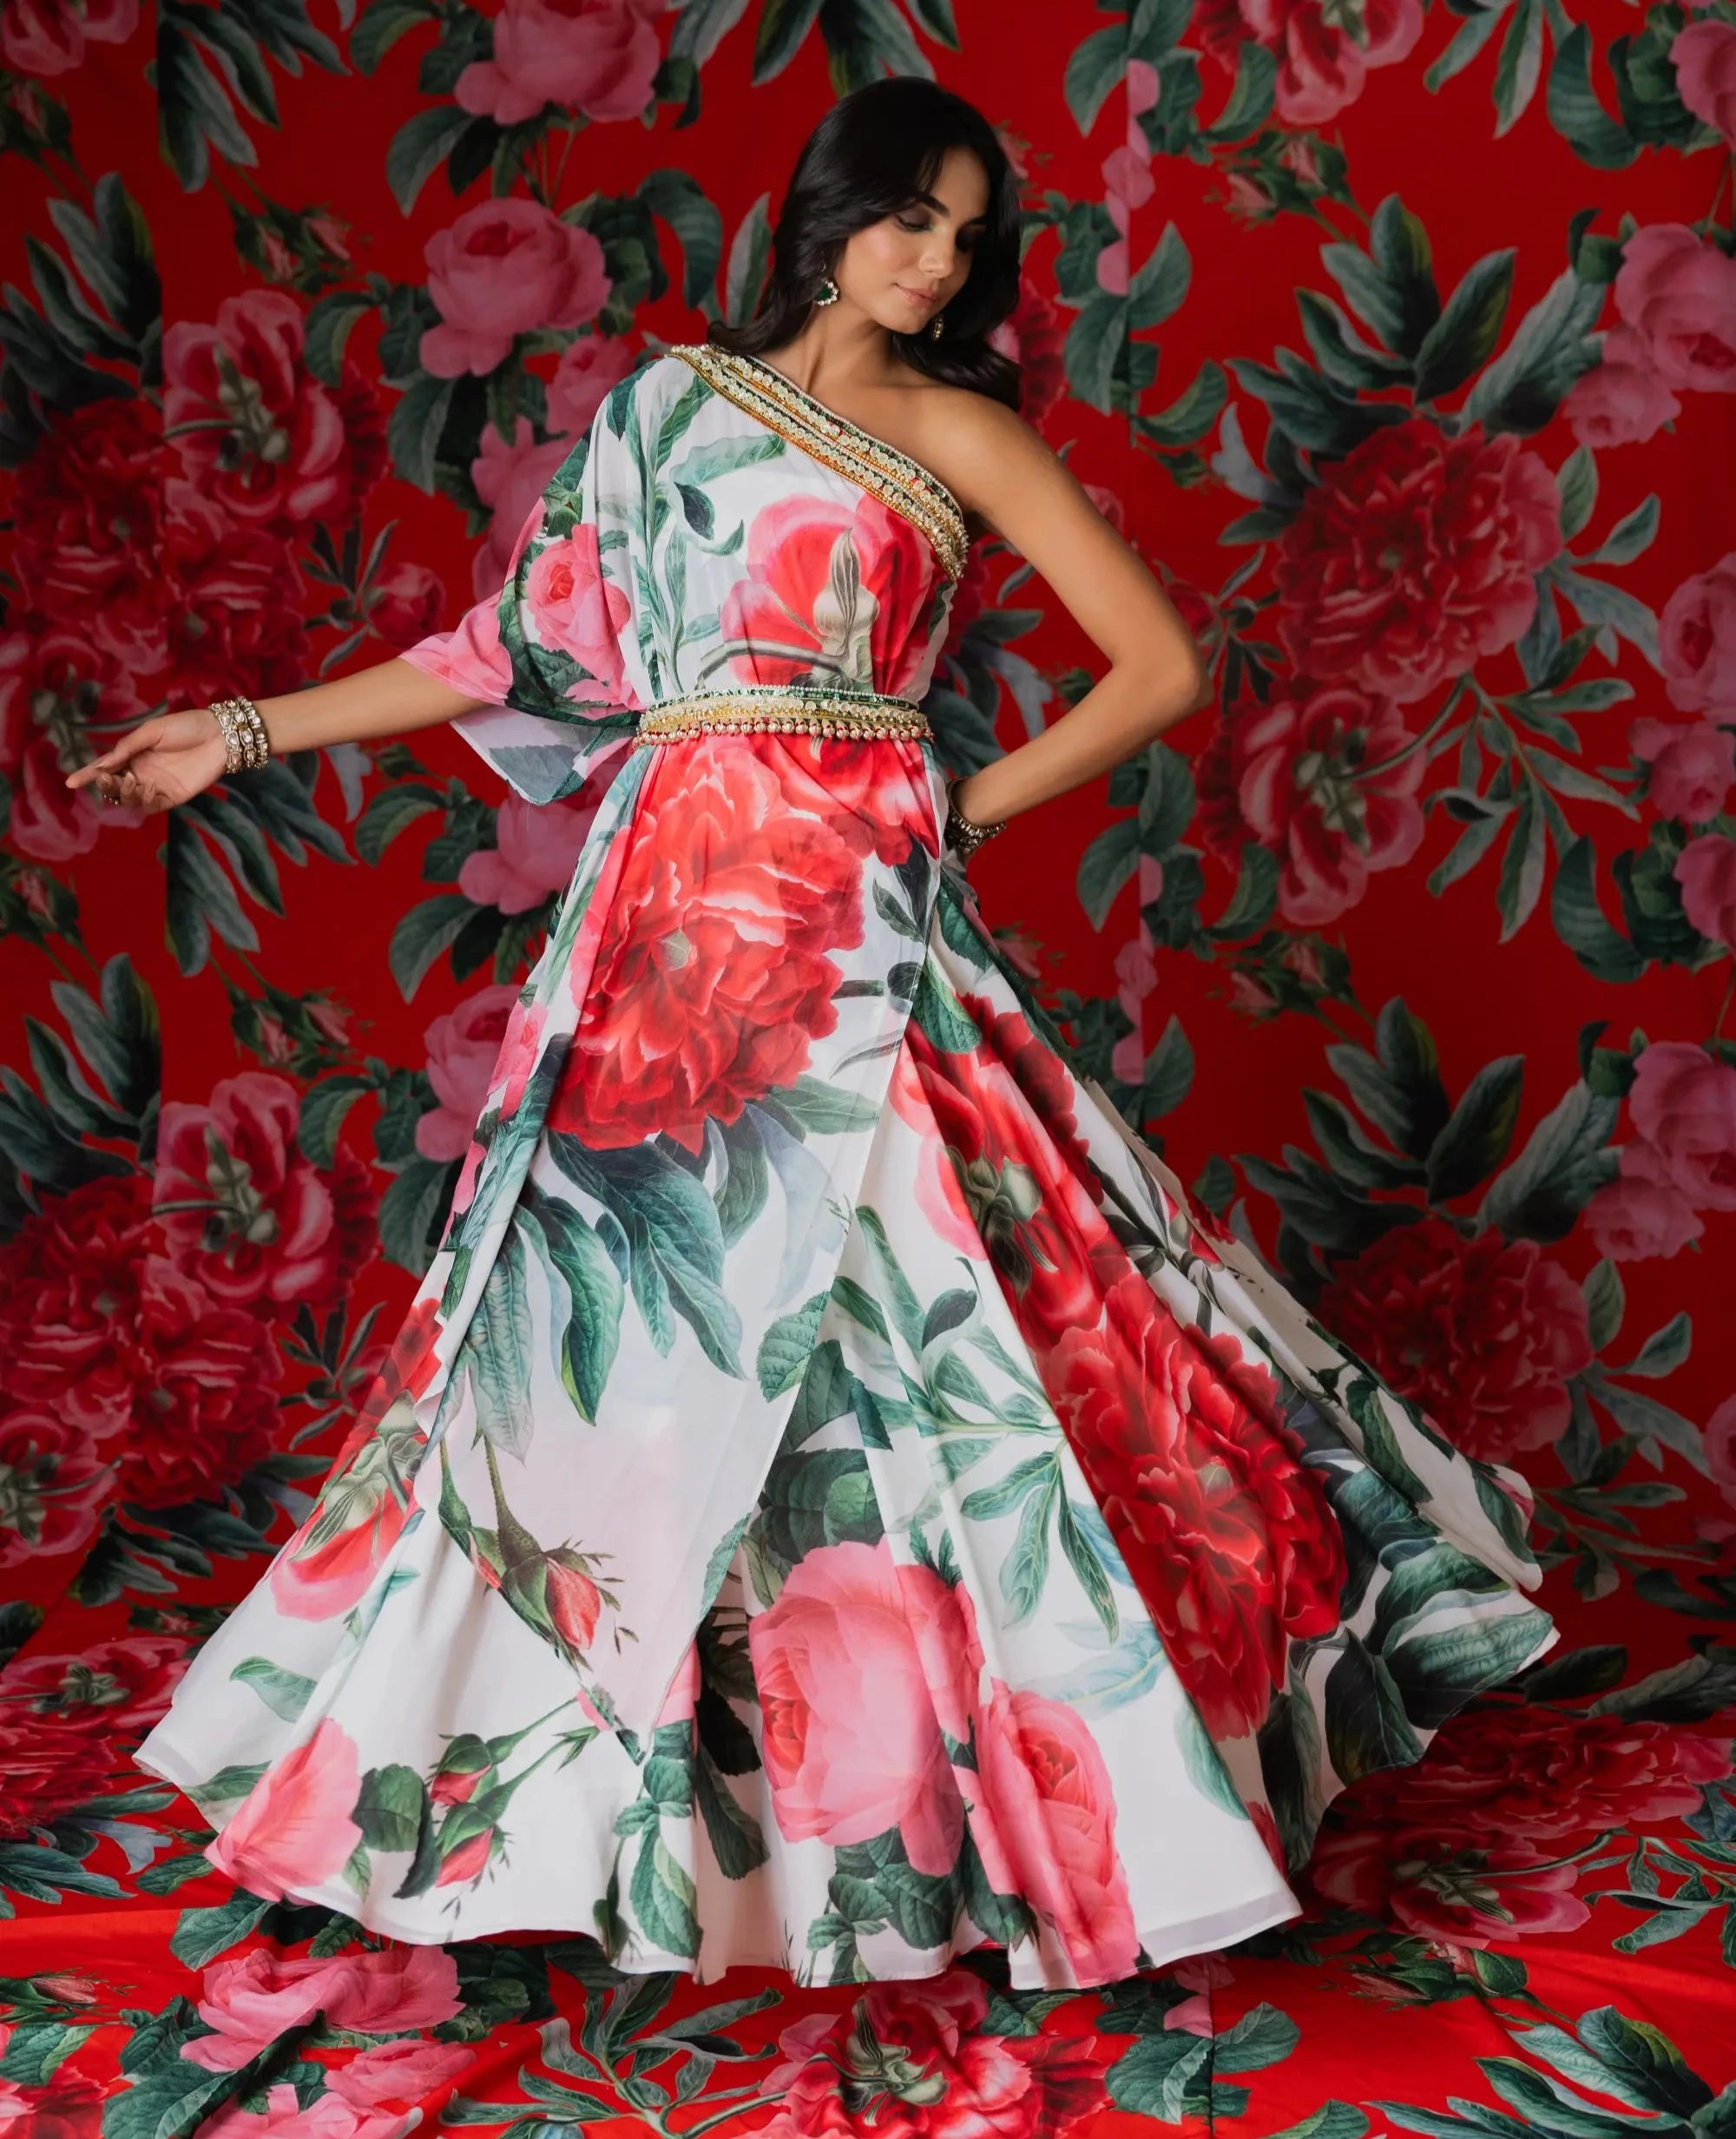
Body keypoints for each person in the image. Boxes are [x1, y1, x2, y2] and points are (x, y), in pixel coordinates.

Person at [68, 76, 1558, 1991]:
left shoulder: (957, 428)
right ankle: (551, 1818)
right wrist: (241, 730)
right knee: (595, 1361)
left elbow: (1161, 666)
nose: (935, 261)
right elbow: (506, 650)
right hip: (658, 948)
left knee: (940, 1344)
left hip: (858, 930)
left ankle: (981, 1827)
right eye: (909, 217)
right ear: (829, 213)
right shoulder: (664, 407)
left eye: (965, 235)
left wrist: (952, 812)